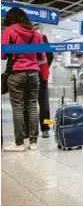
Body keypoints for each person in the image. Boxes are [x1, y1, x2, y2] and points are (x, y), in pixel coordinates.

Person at [1, 8, 45, 151]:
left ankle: (19, 143)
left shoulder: (10, 30)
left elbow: (2, 55)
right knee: (32, 106)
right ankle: (33, 143)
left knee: (18, 108)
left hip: (17, 73)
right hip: (34, 73)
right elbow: (42, 56)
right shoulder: (36, 33)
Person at [37, 34, 53, 138]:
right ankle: (45, 129)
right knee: (44, 104)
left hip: (30, 74)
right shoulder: (43, 38)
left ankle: (29, 130)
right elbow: (51, 56)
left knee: (29, 105)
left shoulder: (39, 37)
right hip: (43, 76)